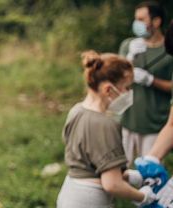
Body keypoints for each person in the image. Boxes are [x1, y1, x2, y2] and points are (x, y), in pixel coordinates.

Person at [56, 51, 157, 207]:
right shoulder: (106, 125)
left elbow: (91, 161)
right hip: (90, 200)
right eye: (127, 87)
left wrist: (128, 176)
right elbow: (112, 184)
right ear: (108, 89)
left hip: (70, 193)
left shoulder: (76, 111)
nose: (130, 93)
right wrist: (142, 196)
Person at [117, 1, 173, 167]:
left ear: (156, 21)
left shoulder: (169, 49)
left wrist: (150, 80)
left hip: (155, 123)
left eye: (141, 19)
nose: (137, 23)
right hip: (128, 120)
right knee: (120, 168)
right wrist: (128, 60)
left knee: (150, 172)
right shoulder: (130, 46)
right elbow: (115, 80)